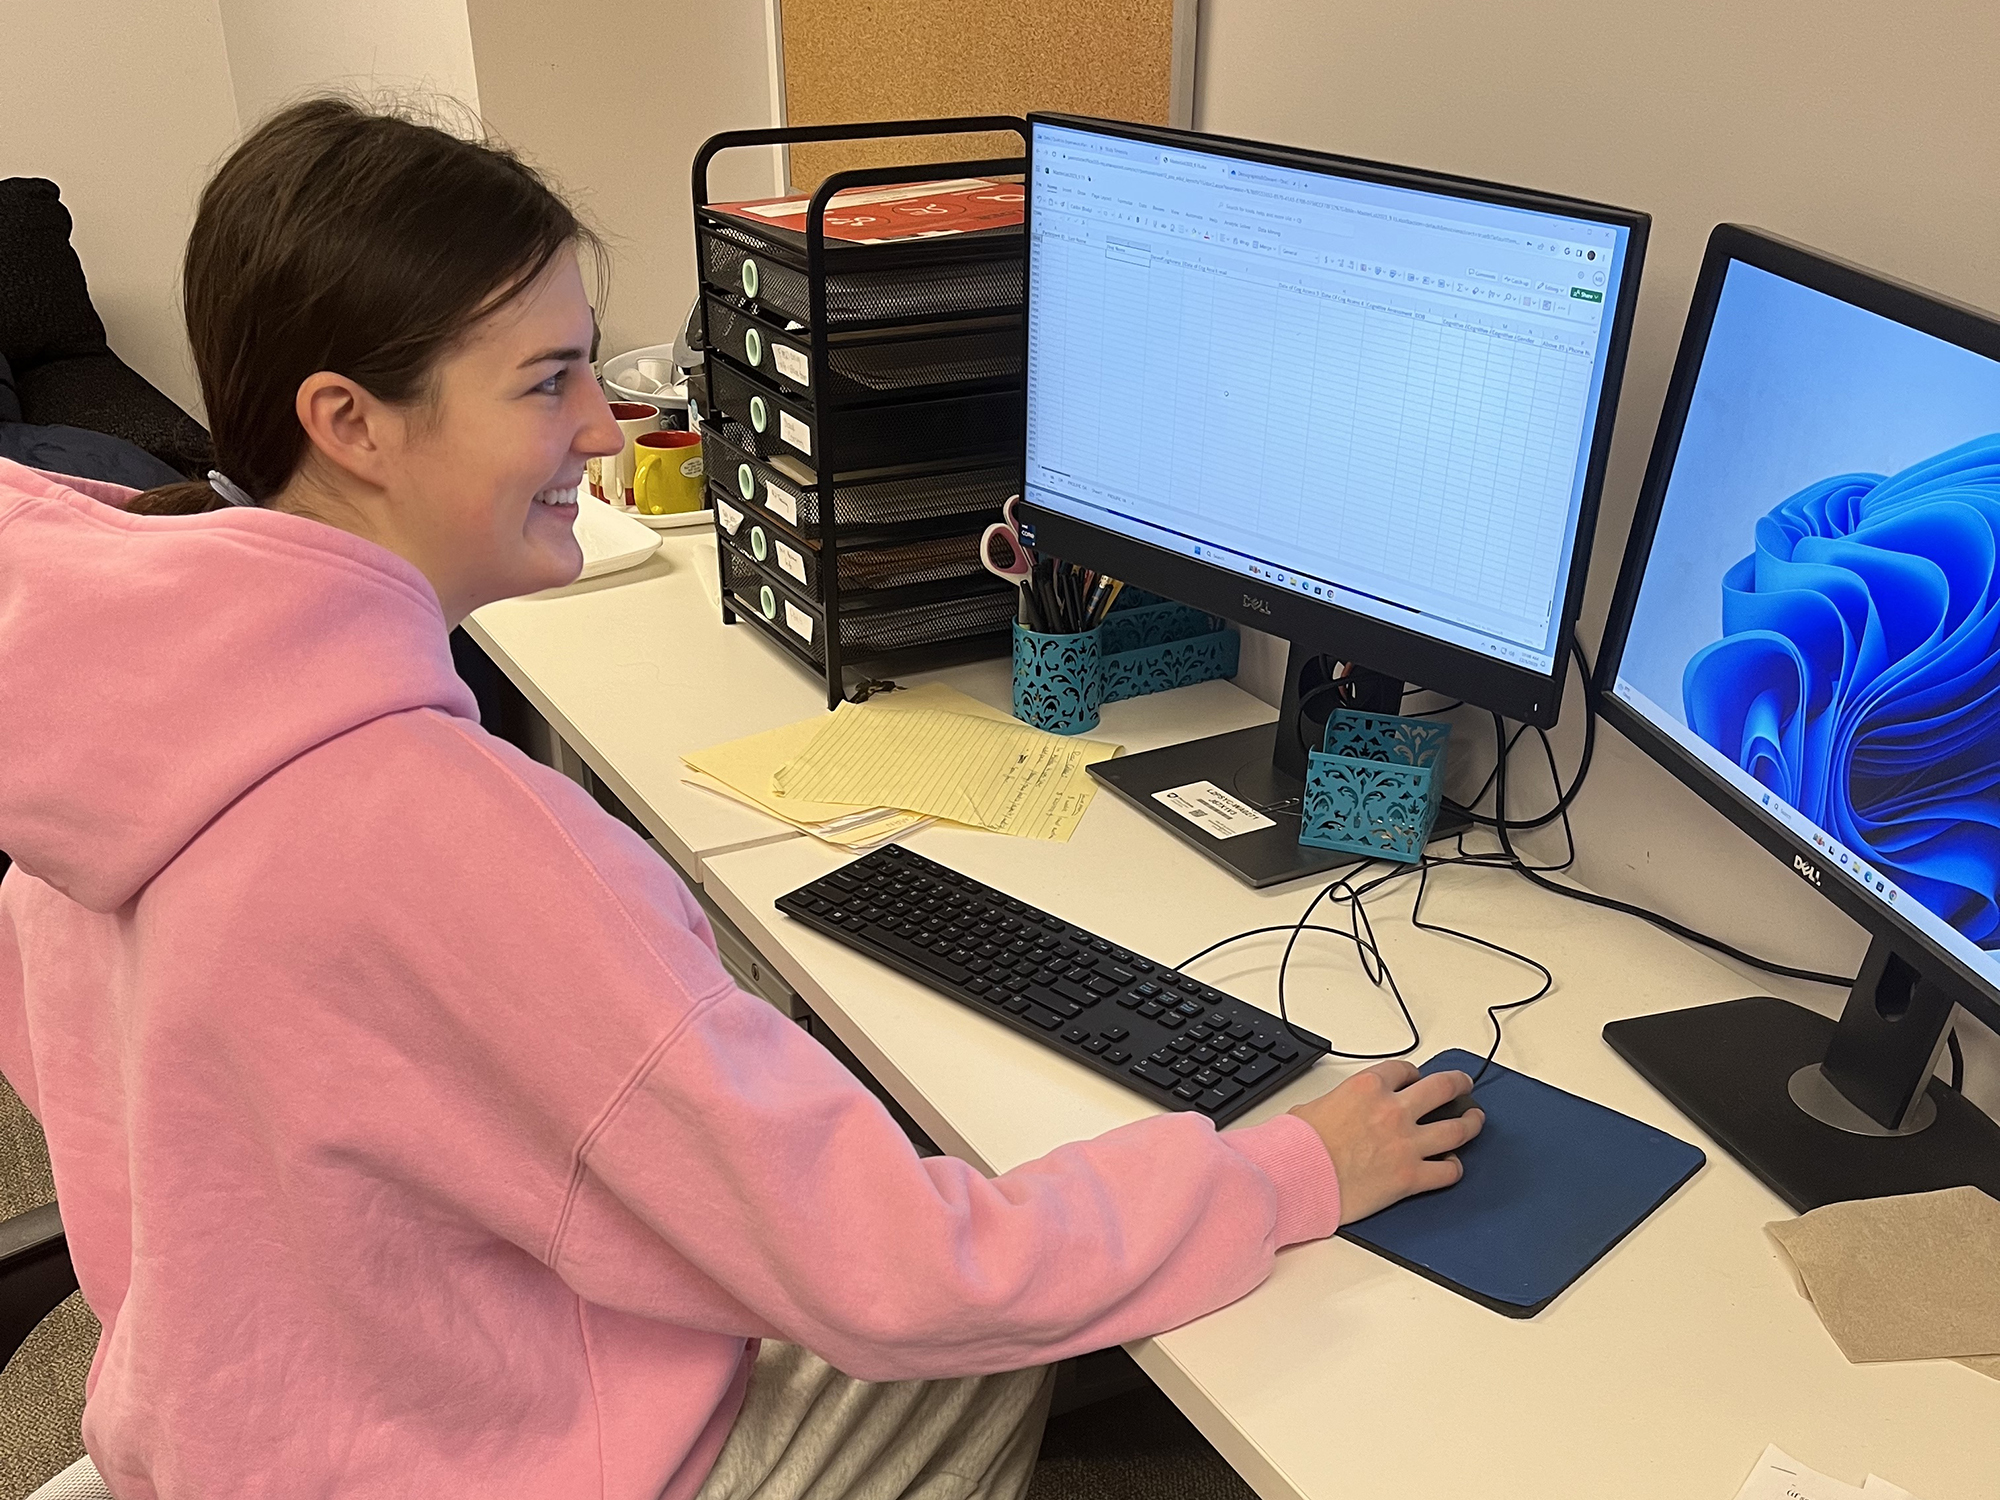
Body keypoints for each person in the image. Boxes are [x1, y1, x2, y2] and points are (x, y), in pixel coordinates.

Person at [0, 98, 1483, 1500]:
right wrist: (1291, 1169)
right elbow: (907, 1282)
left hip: (245, 1428)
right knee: (959, 1301)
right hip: (473, 1452)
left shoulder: (100, 742)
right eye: (547, 381)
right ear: (352, 420)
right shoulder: (438, 834)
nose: (603, 427)